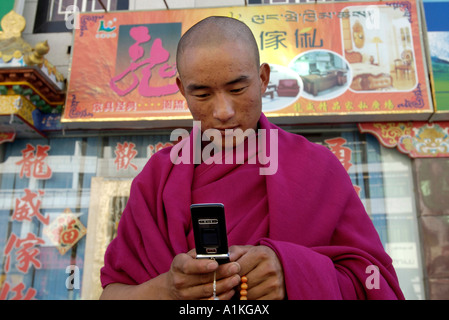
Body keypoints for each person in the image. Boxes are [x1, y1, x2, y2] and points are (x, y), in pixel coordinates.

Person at [99, 16, 404, 300]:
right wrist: (167, 289)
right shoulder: (157, 178)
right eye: (202, 95)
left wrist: (295, 273)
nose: (223, 112)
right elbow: (111, 294)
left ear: (263, 78)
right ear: (182, 90)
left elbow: (377, 283)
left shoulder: (316, 167)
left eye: (238, 88)